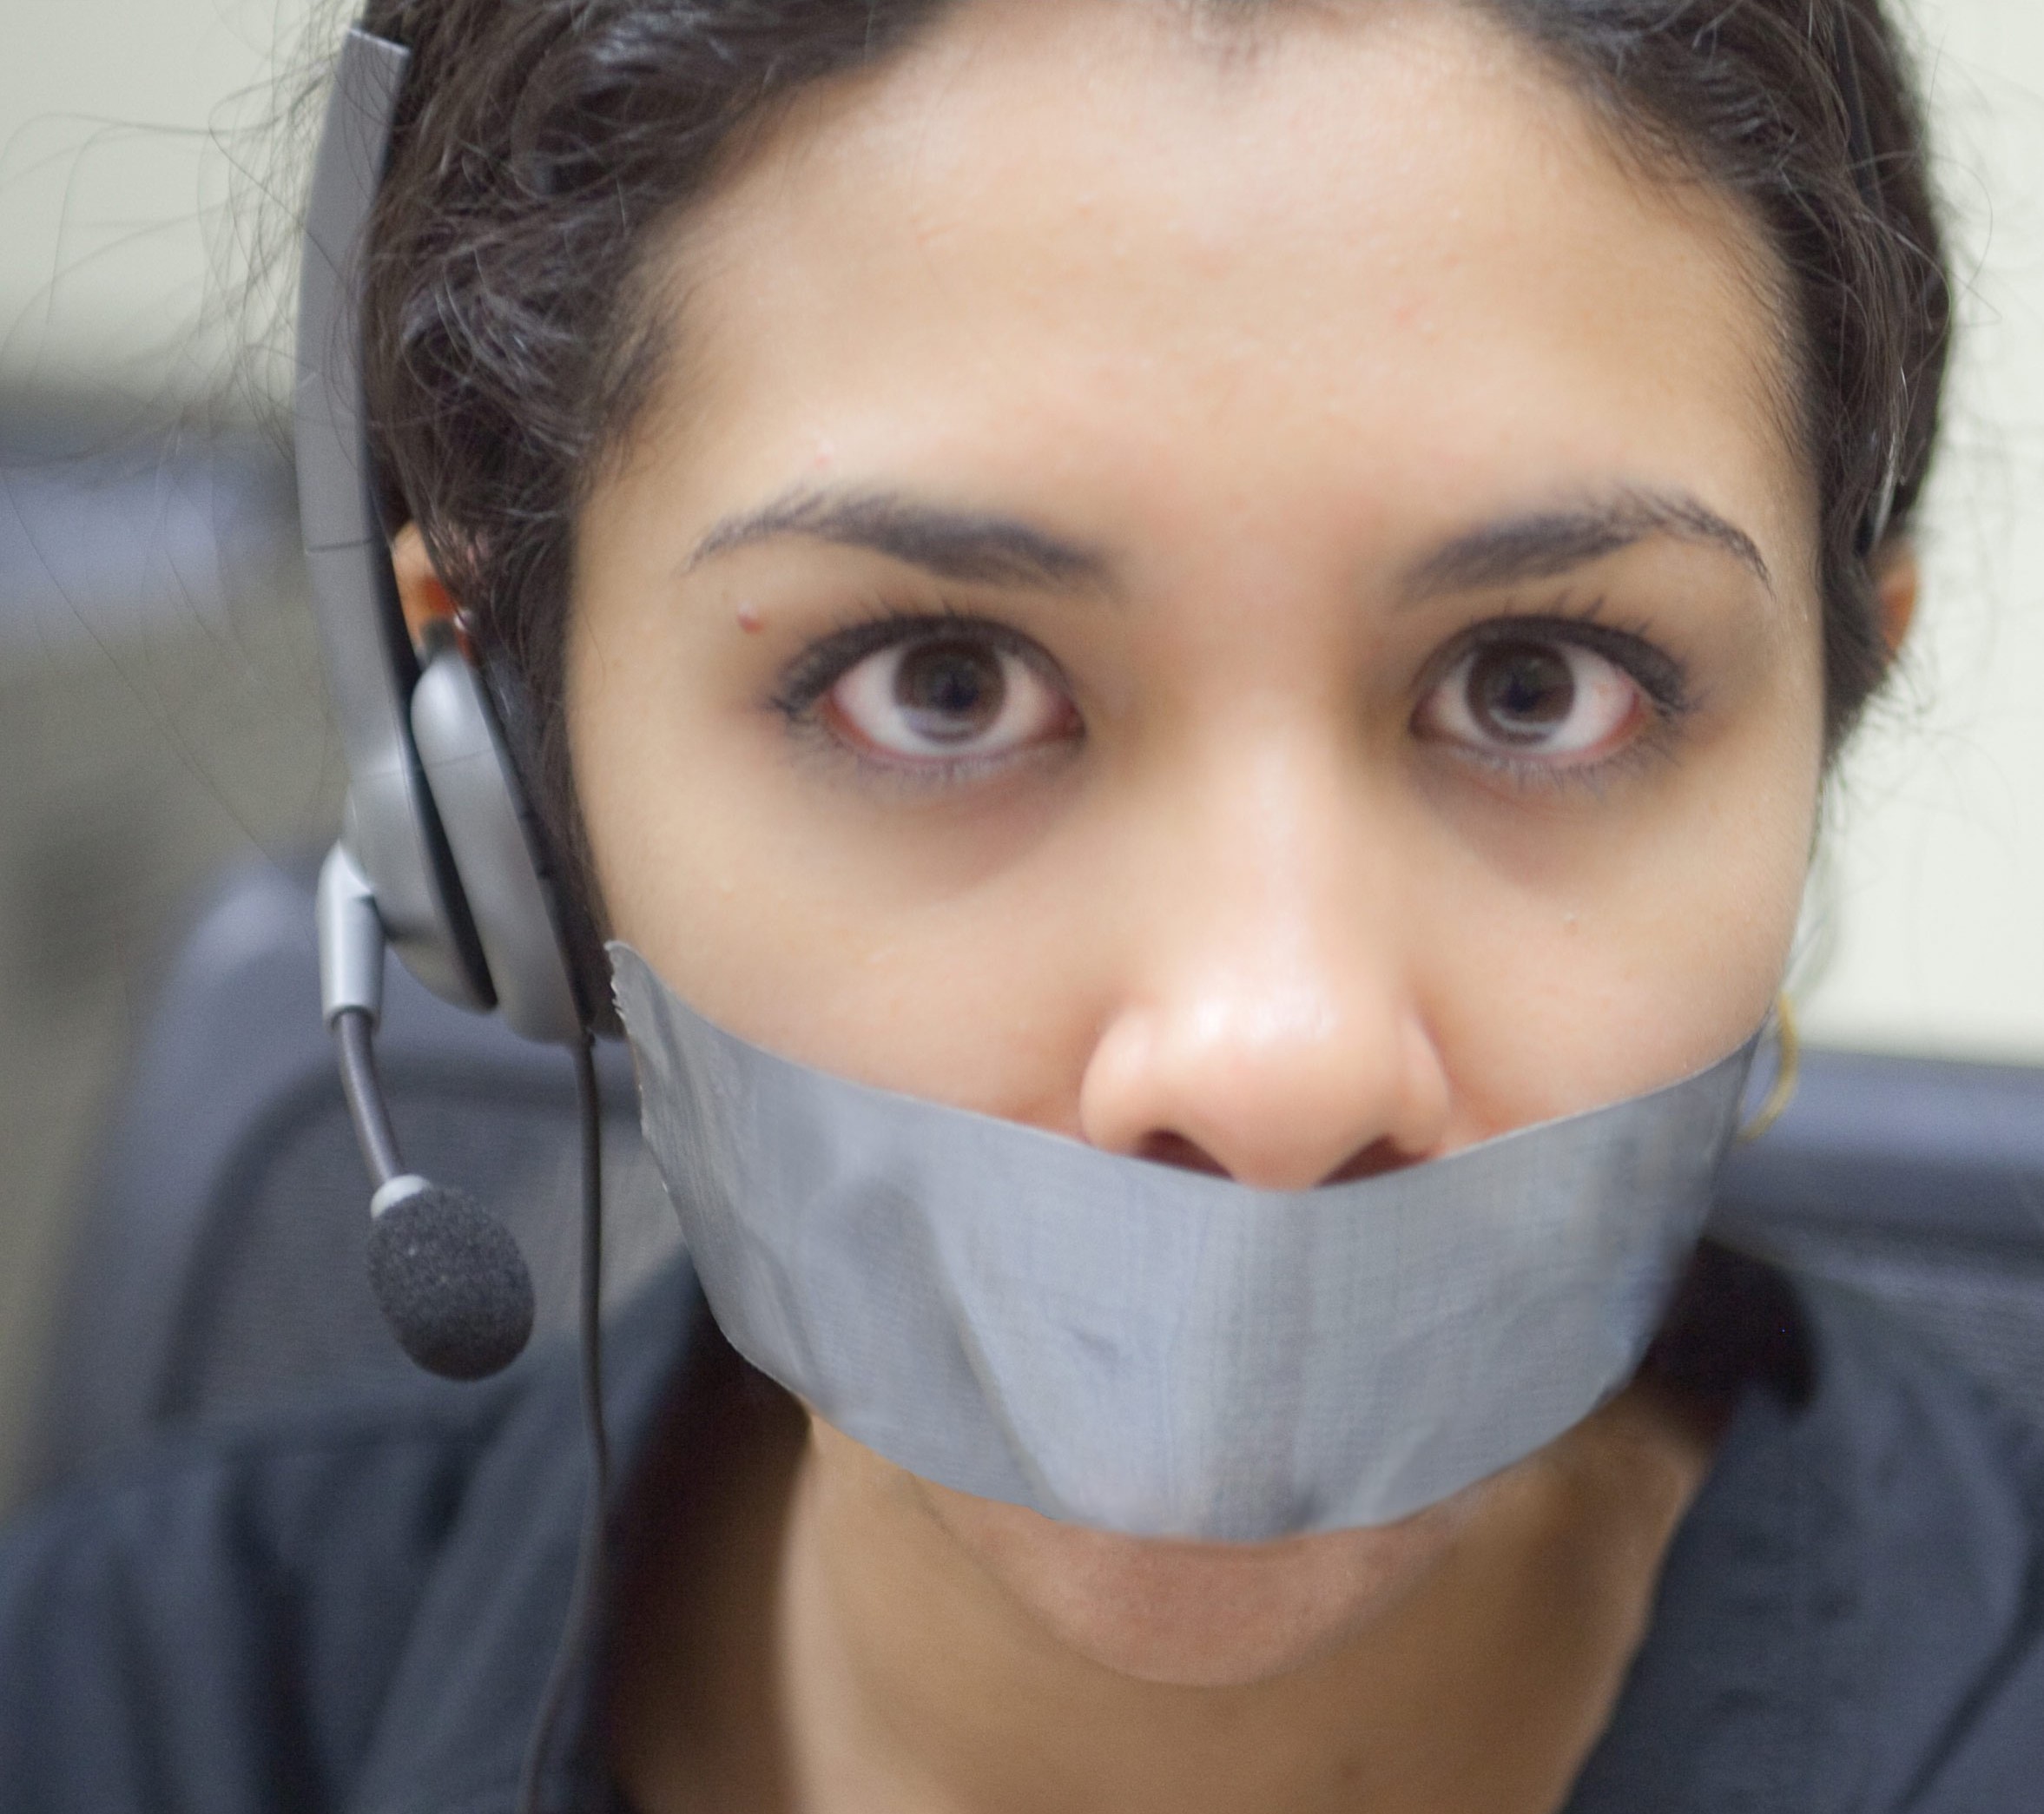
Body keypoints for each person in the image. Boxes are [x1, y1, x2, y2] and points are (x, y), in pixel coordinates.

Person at [4, 1, 2041, 1811]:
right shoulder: (113, 1712)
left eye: (1538, 687)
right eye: (941, 683)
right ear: (502, 782)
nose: (1270, 1066)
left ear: (1820, 740)